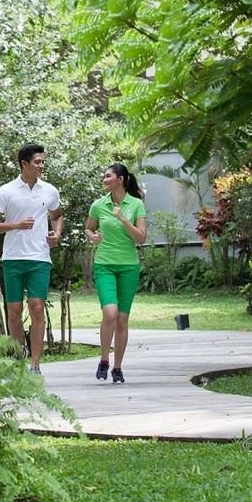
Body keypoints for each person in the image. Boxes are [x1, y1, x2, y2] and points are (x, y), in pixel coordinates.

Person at [0, 143, 63, 375]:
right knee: (14, 311)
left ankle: (36, 365)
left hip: (39, 258)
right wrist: (16, 225)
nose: (41, 165)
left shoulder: (49, 190)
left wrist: (56, 233)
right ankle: (19, 359)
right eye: (37, 162)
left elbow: (57, 216)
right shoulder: (7, 191)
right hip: (13, 258)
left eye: (42, 161)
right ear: (24, 164)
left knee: (37, 308)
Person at [85, 163, 147, 383]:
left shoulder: (136, 204)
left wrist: (122, 219)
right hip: (105, 265)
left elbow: (141, 238)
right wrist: (91, 237)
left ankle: (117, 367)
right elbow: (89, 228)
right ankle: (104, 359)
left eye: (108, 176)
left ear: (120, 179)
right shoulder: (98, 205)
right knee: (110, 313)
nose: (104, 179)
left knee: (122, 319)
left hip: (128, 266)